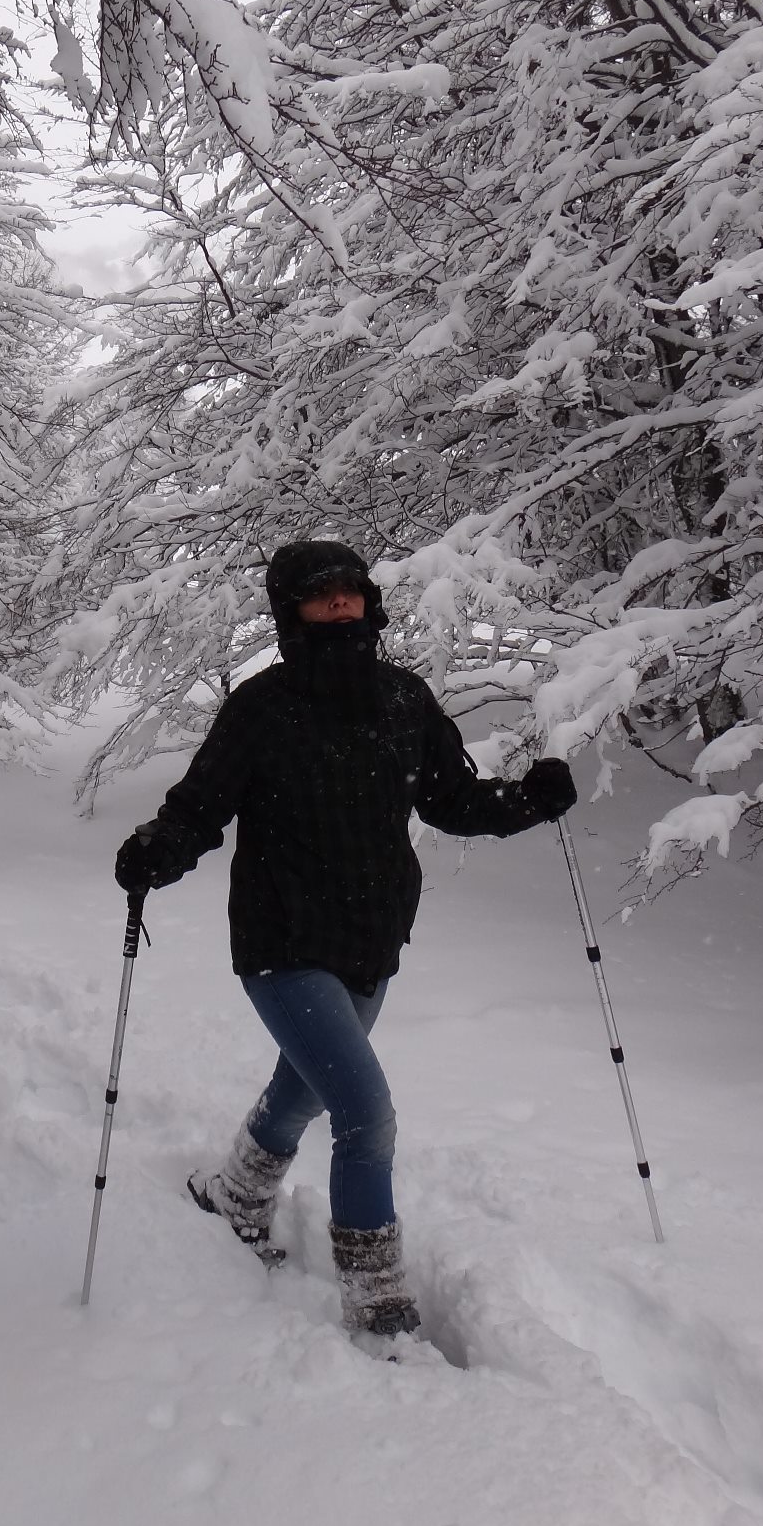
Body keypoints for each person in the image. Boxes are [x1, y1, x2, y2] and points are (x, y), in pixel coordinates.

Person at [113, 541, 577, 1339]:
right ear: (291, 609)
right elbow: (200, 807)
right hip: (282, 940)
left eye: (349, 590)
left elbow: (452, 801)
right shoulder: (261, 708)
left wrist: (529, 799)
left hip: (372, 935)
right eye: (319, 592)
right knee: (365, 1113)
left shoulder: (403, 698)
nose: (338, 602)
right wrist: (160, 847)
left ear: (368, 600)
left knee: (305, 1084)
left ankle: (237, 1192)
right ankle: (375, 1298)